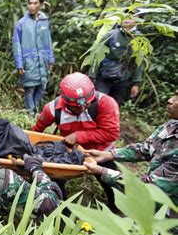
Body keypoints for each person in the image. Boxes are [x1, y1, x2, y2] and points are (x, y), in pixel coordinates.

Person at [32, 72, 120, 209]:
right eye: (77, 107)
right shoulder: (52, 109)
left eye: (86, 104)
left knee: (113, 185)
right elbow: (36, 130)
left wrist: (77, 136)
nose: (83, 108)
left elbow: (111, 133)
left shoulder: (106, 103)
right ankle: (60, 212)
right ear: (65, 102)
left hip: (101, 154)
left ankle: (117, 211)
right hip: (68, 155)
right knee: (55, 183)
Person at [85, 90, 178, 210]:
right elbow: (145, 149)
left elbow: (145, 188)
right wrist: (109, 155)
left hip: (168, 216)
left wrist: (102, 171)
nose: (170, 100)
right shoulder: (172, 126)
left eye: (177, 98)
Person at [88, 12, 144, 105]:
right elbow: (97, 56)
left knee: (115, 105)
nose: (127, 19)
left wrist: (136, 83)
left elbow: (139, 62)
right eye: (125, 16)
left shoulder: (140, 38)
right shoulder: (111, 35)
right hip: (104, 77)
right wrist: (91, 77)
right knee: (99, 104)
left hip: (123, 78)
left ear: (138, 21)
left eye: (131, 17)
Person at [12, 0, 54, 116]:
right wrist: (19, 63)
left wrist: (50, 58)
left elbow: (48, 40)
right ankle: (31, 113)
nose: (32, 6)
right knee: (29, 89)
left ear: (41, 5)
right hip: (29, 62)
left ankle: (35, 111)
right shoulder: (21, 23)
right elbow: (16, 44)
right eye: (30, 3)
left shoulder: (44, 21)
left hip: (43, 61)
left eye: (35, 3)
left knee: (41, 87)